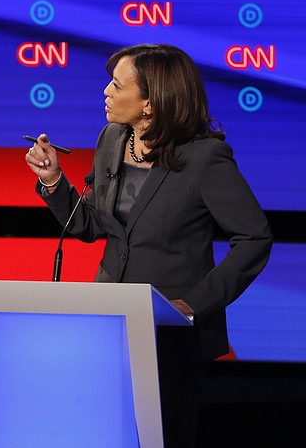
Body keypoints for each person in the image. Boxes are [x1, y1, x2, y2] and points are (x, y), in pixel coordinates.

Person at [25, 43, 272, 447]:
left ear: (150, 104)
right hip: (108, 322)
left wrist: (193, 303)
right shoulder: (111, 139)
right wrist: (54, 181)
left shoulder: (206, 159)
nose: (106, 91)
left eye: (117, 85)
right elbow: (90, 225)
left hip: (170, 335)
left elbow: (255, 239)